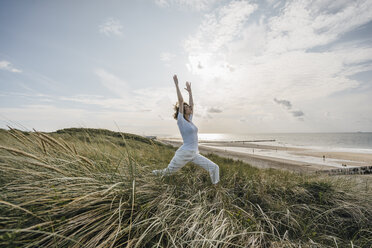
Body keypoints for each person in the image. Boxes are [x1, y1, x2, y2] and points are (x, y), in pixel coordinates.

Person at [152, 75, 220, 184]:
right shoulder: (181, 121)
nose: (189, 107)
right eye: (186, 107)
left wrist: (190, 92)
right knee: (167, 172)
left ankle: (216, 187)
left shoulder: (190, 120)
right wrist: (177, 85)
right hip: (184, 153)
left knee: (215, 167)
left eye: (188, 106)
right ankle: (152, 173)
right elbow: (180, 100)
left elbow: (192, 104)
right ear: (183, 110)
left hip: (194, 154)